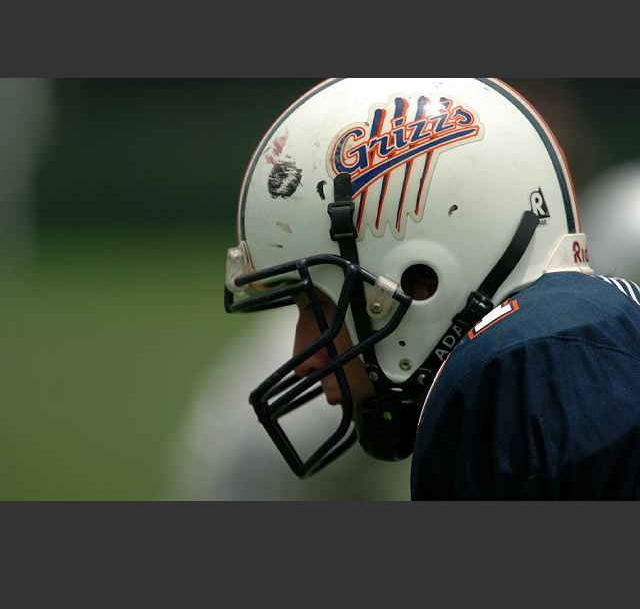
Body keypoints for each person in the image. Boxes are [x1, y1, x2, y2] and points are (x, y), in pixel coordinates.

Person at [224, 78, 640, 499]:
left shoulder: (533, 370)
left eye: (318, 306)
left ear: (421, 281)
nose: (303, 358)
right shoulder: (551, 351)